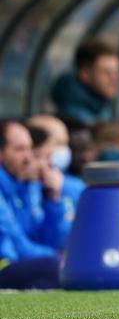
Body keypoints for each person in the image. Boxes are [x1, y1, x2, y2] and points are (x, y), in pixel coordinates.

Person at [0, 120, 74, 289]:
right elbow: (18, 245)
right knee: (56, 267)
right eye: (19, 149)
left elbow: (51, 240)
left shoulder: (25, 186)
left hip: (22, 263)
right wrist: (61, 257)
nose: (29, 157)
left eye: (29, 148)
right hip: (7, 264)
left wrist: (54, 200)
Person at [51, 38, 119, 124]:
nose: (115, 78)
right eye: (107, 72)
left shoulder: (100, 107)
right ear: (85, 74)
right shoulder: (73, 120)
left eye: (116, 71)